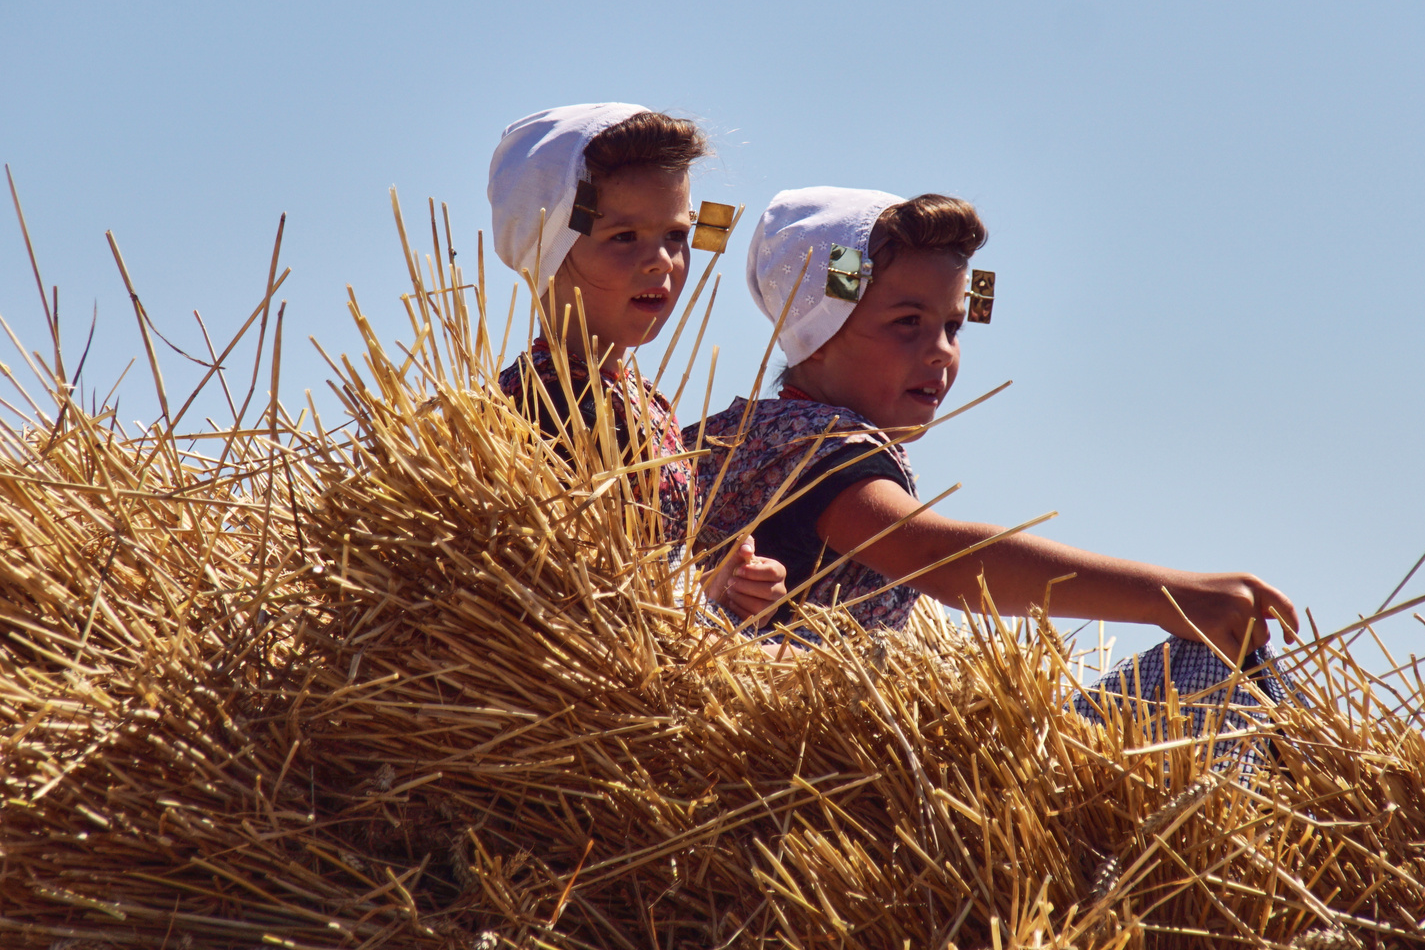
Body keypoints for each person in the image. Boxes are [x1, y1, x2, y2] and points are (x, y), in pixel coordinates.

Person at [685, 186, 1297, 728]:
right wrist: (1173, 595)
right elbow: (937, 556)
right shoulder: (824, 450)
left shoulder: (736, 433)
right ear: (818, 336)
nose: (941, 352)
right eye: (907, 322)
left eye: (954, 327)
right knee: (1219, 666)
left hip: (794, 730)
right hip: (801, 756)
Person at [487, 103, 784, 615]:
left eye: (676, 235)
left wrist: (722, 585)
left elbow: (655, 579)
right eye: (624, 237)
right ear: (548, 248)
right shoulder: (547, 405)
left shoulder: (642, 399)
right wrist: (701, 601)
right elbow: (589, 599)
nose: (661, 261)